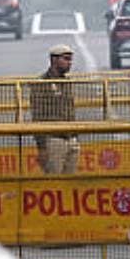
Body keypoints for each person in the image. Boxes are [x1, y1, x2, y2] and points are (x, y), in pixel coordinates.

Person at [31, 44, 80, 174]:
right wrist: (41, 146)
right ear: (54, 60)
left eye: (70, 60)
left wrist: (75, 136)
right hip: (53, 140)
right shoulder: (41, 83)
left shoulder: (67, 82)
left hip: (71, 138)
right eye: (66, 59)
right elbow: (37, 115)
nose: (70, 63)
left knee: (71, 182)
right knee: (54, 181)